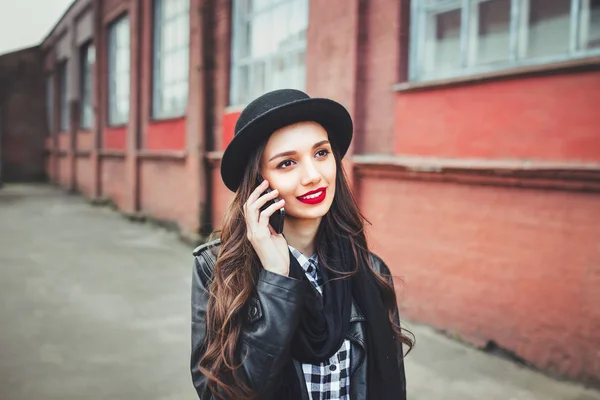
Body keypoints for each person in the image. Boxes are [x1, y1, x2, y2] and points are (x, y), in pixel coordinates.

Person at [190, 89, 414, 400]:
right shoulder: (218, 272)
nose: (312, 176)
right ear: (257, 182)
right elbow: (220, 395)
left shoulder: (371, 271)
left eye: (321, 153)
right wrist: (275, 281)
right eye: (286, 163)